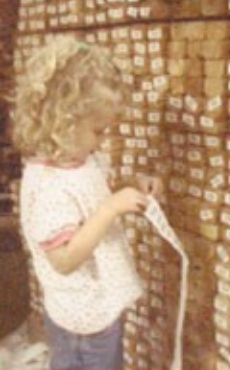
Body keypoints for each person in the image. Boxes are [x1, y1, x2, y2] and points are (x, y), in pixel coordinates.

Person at [12, 36, 163, 370]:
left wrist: (130, 185)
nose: (103, 139)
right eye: (98, 131)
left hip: (99, 305)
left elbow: (97, 192)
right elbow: (64, 260)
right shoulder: (49, 187)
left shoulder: (82, 159)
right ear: (62, 123)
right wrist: (110, 210)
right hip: (83, 320)